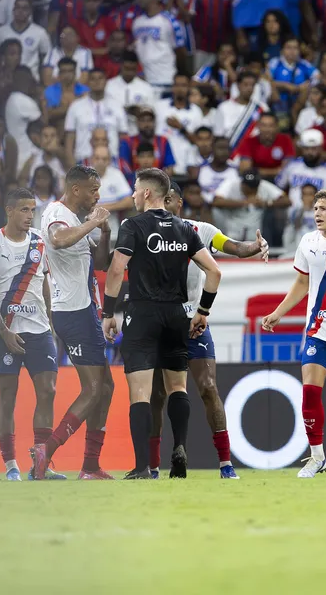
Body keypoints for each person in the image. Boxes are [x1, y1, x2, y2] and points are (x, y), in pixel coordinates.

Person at [101, 167, 221, 479]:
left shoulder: (133, 225)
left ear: (147, 194)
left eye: (135, 190)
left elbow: (116, 269)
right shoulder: (184, 228)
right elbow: (214, 272)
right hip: (175, 315)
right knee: (178, 387)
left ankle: (142, 466)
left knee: (141, 393)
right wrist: (202, 311)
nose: (132, 196)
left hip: (142, 314)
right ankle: (179, 448)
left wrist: (106, 313)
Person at [143, 183, 268, 479]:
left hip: (194, 321)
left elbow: (234, 247)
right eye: (161, 199)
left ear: (179, 202)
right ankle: (152, 465)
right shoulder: (145, 230)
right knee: (158, 395)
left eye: (170, 199)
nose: (165, 203)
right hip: (161, 322)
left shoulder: (201, 230)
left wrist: (254, 246)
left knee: (209, 387)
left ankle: (226, 463)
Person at [262, 189, 326, 478]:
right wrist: (279, 312)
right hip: (318, 329)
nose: (317, 214)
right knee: (310, 391)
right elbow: (303, 283)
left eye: (324, 209)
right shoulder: (308, 242)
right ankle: (317, 457)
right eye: (315, 208)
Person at [34, 165, 115, 480]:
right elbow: (58, 240)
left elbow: (101, 263)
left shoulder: (77, 220)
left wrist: (103, 232)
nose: (97, 196)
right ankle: (47, 450)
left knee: (105, 387)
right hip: (73, 312)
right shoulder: (57, 213)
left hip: (85, 310)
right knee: (94, 389)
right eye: (93, 189)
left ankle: (90, 466)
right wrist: (93, 222)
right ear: (76, 188)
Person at [0, 188, 61, 481]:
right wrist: (4, 332)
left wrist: (52, 322)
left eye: (32, 210)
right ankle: (10, 463)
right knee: (8, 398)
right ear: (9, 210)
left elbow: (45, 284)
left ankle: (41, 461)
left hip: (39, 330)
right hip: (6, 332)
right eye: (24, 210)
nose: (29, 216)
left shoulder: (40, 241)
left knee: (48, 391)